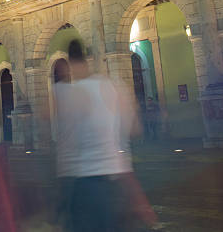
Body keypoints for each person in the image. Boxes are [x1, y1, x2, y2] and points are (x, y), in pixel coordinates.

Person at [54, 40, 156, 232]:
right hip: (117, 181)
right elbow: (135, 129)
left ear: (70, 63)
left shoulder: (74, 94)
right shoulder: (114, 86)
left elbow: (67, 145)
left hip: (85, 183)